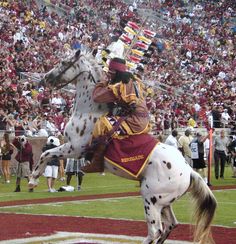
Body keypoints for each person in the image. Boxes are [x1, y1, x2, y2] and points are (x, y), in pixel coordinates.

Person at [83, 57, 151, 172]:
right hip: (139, 117)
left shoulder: (119, 86)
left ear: (116, 73)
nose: (109, 75)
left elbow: (97, 97)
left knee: (102, 123)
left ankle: (96, 162)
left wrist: (102, 82)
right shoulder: (132, 80)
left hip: (134, 120)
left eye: (110, 73)